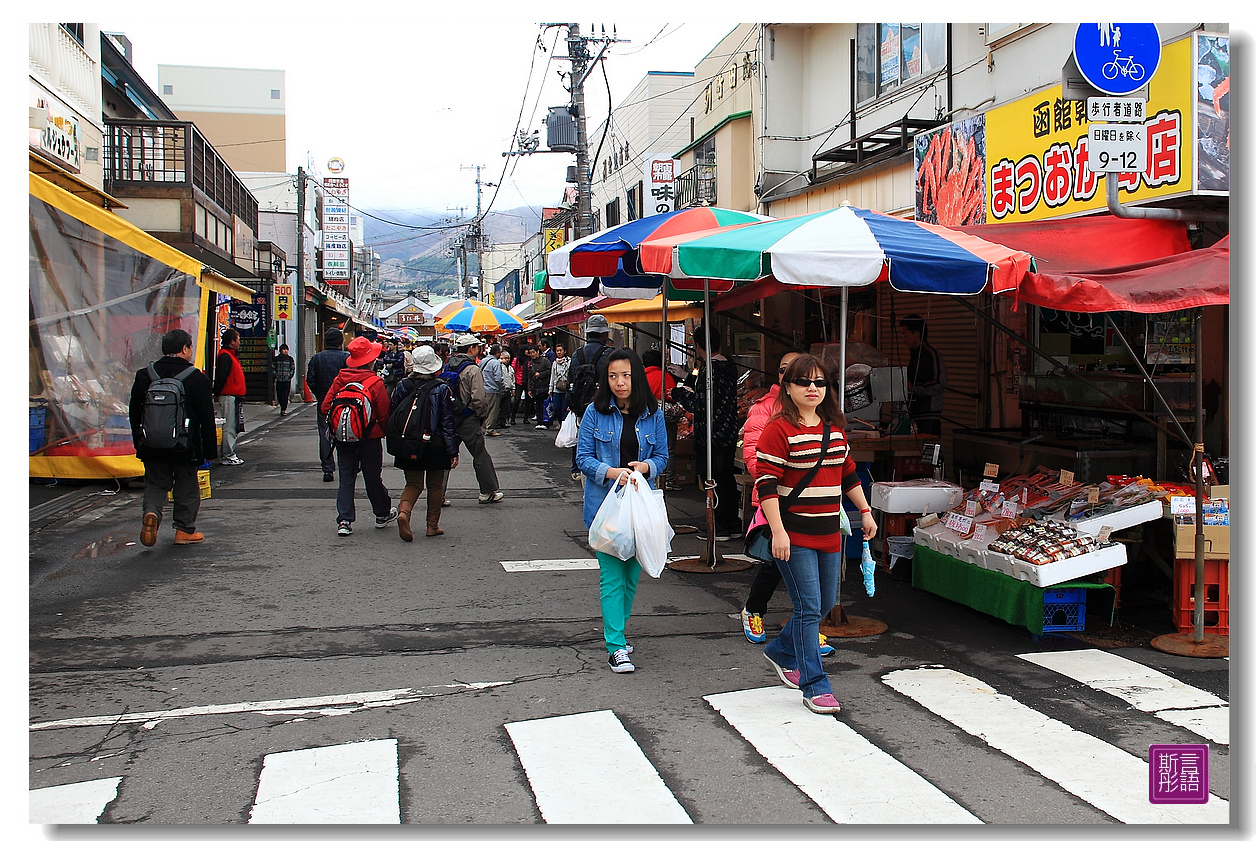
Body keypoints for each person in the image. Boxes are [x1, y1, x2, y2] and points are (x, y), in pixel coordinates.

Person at [755, 353, 877, 714]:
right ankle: (814, 684)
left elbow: (848, 474)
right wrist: (778, 532)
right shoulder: (778, 429)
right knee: (808, 607)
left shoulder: (834, 429)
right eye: (804, 382)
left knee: (823, 604)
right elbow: (766, 484)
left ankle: (779, 651)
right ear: (788, 387)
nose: (812, 388)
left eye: (819, 382)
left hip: (829, 532)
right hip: (794, 534)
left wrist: (866, 511)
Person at [738, 350, 838, 656]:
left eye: (817, 380)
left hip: (817, 511)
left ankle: (799, 637)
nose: (810, 385)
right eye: (786, 371)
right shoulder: (765, 410)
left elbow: (842, 465)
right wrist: (783, 476)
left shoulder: (825, 417)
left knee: (812, 593)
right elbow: (756, 458)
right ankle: (755, 610)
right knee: (776, 564)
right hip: (778, 504)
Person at [575, 348, 669, 674]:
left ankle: (619, 632)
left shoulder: (653, 413)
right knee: (612, 577)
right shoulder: (594, 412)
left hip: (639, 508)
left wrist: (646, 466)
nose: (619, 382)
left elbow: (663, 458)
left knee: (631, 578)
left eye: (626, 375)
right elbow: (583, 458)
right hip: (605, 508)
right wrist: (611, 472)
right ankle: (615, 646)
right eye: (613, 376)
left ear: (637, 377)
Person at [129, 329, 218, 546]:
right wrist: (209, 451)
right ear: (185, 348)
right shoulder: (197, 378)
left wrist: (139, 442)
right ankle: (184, 530)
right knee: (187, 487)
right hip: (185, 446)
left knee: (155, 483)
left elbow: (134, 412)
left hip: (151, 444)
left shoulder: (144, 375)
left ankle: (151, 513)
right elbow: (207, 417)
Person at [321, 336, 397, 536]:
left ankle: (344, 520)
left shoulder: (340, 379)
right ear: (369, 360)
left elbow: (325, 407)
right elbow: (383, 413)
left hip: (344, 437)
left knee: (346, 478)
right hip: (370, 438)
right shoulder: (374, 382)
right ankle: (382, 513)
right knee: (372, 477)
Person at [671, 325, 740, 538]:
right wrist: (688, 378)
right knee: (726, 477)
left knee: (712, 478)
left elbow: (702, 403)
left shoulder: (709, 367)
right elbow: (714, 391)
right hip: (728, 430)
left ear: (699, 344)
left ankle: (718, 524)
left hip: (710, 433)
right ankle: (731, 522)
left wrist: (679, 393)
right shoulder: (728, 364)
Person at [390, 345, 459, 540]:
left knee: (413, 483)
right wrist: (452, 450)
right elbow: (447, 421)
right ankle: (432, 525)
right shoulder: (441, 388)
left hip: (409, 442)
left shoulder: (403, 385)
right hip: (435, 443)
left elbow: (393, 413)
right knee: (435, 485)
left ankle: (404, 512)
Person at [445, 334, 504, 504]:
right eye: (477, 347)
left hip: (449, 417)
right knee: (480, 455)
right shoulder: (472, 369)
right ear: (471, 349)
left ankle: (438, 495)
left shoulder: (448, 365)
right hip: (468, 417)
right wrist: (480, 415)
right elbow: (478, 398)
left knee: (445, 455)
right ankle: (488, 491)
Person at [568, 315, 614, 481]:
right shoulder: (609, 354)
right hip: (605, 406)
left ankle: (582, 473)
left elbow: (570, 382)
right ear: (604, 335)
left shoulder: (576, 354)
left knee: (583, 442)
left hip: (581, 408)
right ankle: (605, 475)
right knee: (605, 443)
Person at [307, 327, 350, 482]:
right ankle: (350, 465)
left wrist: (320, 394)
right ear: (341, 342)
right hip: (346, 401)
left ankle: (328, 469)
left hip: (324, 401)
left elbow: (310, 380)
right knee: (347, 430)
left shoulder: (317, 358)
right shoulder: (347, 358)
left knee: (325, 435)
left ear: (325, 342)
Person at [900, 314, 946, 437]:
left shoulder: (931, 354)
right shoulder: (914, 355)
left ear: (916, 334)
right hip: (915, 414)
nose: (904, 339)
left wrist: (913, 387)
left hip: (929, 415)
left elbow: (939, 383)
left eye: (905, 334)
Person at [641, 349, 678, 488]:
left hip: (644, 416)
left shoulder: (641, 378)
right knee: (668, 448)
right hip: (666, 417)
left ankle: (650, 476)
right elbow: (672, 395)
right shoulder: (665, 376)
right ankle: (668, 479)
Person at [212, 327, 246, 465]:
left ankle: (229, 453)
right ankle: (228, 455)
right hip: (228, 395)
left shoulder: (230, 355)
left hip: (233, 395)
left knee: (233, 425)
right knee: (229, 426)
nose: (239, 343)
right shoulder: (226, 356)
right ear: (232, 342)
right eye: (238, 340)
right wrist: (217, 392)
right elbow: (222, 377)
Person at [480, 342, 507, 436]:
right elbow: (498, 378)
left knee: (486, 410)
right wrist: (503, 387)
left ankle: (483, 428)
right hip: (493, 389)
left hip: (483, 388)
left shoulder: (483, 361)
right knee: (493, 410)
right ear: (498, 352)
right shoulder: (495, 363)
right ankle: (490, 429)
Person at [529, 343, 553, 429]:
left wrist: (541, 374)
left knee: (545, 405)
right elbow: (529, 377)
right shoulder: (531, 363)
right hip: (535, 387)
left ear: (537, 352)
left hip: (544, 386)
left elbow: (550, 371)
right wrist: (529, 389)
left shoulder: (545, 361)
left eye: (533, 352)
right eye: (530, 353)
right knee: (538, 405)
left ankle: (546, 422)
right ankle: (539, 421)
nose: (532, 354)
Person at [548, 343, 571, 426]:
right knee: (557, 407)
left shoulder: (569, 362)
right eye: (557, 351)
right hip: (556, 388)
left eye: (560, 350)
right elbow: (552, 376)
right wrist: (550, 388)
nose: (559, 352)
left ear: (564, 351)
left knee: (564, 408)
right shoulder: (555, 363)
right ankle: (560, 422)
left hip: (565, 388)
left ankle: (564, 425)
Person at [273, 344, 295, 416]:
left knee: (285, 395)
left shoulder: (290, 359)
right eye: (284, 349)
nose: (285, 351)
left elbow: (292, 368)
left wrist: (289, 376)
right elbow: (273, 368)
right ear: (280, 350)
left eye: (286, 349)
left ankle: (283, 409)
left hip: (287, 380)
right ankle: (282, 406)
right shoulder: (276, 359)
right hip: (279, 380)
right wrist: (276, 375)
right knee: (279, 395)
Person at [509, 346, 527, 425]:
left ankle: (526, 418)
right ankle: (513, 417)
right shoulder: (517, 360)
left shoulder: (529, 359)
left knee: (528, 401)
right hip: (518, 381)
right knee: (517, 400)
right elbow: (513, 370)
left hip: (527, 381)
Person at [499, 350, 516, 430]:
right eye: (505, 358)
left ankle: (503, 421)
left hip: (508, 390)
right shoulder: (498, 366)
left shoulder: (510, 368)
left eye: (508, 358)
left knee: (506, 408)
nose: (507, 359)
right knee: (499, 407)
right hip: (501, 389)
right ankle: (497, 422)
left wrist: (513, 389)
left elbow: (512, 379)